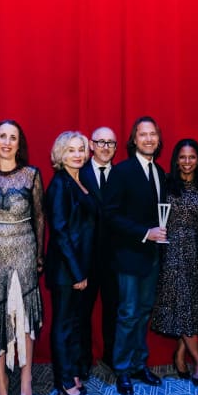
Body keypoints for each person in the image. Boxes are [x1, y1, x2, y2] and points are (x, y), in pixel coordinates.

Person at [0, 120, 45, 395]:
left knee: (25, 317)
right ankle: (1, 380)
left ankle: (26, 378)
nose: (6, 142)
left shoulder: (31, 175)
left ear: (19, 143)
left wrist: (39, 254)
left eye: (12, 137)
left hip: (24, 251)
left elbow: (40, 216)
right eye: (2, 136)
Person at [102, 116, 167, 395]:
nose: (149, 139)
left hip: (152, 257)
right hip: (128, 255)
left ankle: (140, 364)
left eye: (153, 134)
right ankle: (123, 369)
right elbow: (110, 215)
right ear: (134, 140)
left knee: (143, 312)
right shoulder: (122, 171)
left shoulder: (160, 172)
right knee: (128, 313)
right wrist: (145, 233)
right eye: (143, 135)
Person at [150, 138, 198, 386]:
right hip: (171, 254)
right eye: (182, 157)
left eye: (192, 157)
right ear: (176, 159)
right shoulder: (165, 185)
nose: (187, 162)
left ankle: (180, 353)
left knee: (190, 307)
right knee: (181, 305)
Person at [45, 131, 97, 395]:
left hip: (80, 266)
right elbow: (61, 233)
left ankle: (73, 372)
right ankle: (64, 382)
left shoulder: (80, 180)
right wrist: (77, 272)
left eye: (80, 149)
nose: (77, 154)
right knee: (64, 325)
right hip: (67, 269)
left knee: (75, 323)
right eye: (71, 150)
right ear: (60, 155)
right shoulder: (59, 185)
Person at [78, 126, 119, 372]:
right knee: (82, 312)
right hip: (85, 258)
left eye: (111, 143)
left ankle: (112, 358)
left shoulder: (122, 175)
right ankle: (83, 361)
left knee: (114, 310)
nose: (105, 147)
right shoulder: (78, 173)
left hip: (115, 258)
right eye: (100, 142)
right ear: (91, 145)